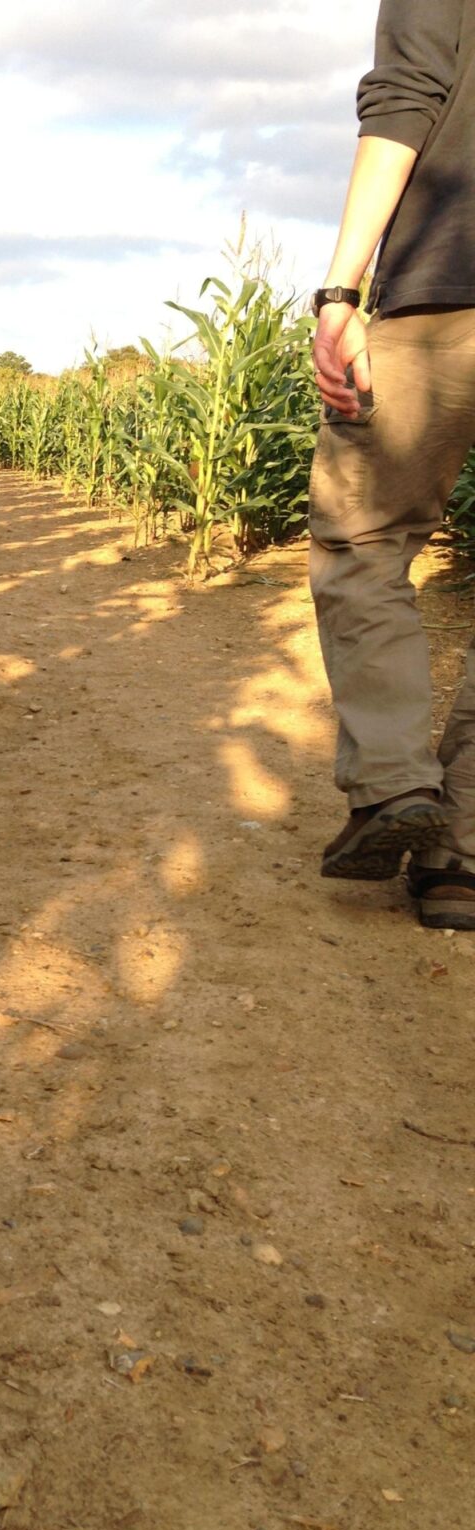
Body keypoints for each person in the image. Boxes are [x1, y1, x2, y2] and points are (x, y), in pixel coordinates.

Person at [309, 0, 475, 930]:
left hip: (447, 290)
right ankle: (462, 863)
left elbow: (408, 94)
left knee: (363, 534)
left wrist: (341, 288)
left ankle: (394, 785)